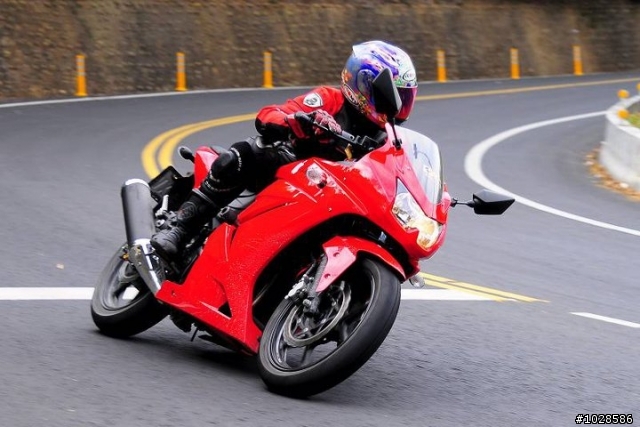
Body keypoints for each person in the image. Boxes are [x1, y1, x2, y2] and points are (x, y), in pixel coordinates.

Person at [150, 40, 418, 261]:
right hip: (286, 172)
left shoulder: (388, 138)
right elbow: (270, 114)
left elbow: (399, 172)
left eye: (406, 97)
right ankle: (180, 228)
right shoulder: (329, 99)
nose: (400, 107)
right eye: (396, 97)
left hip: (328, 197)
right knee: (247, 153)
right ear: (365, 85)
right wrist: (297, 120)